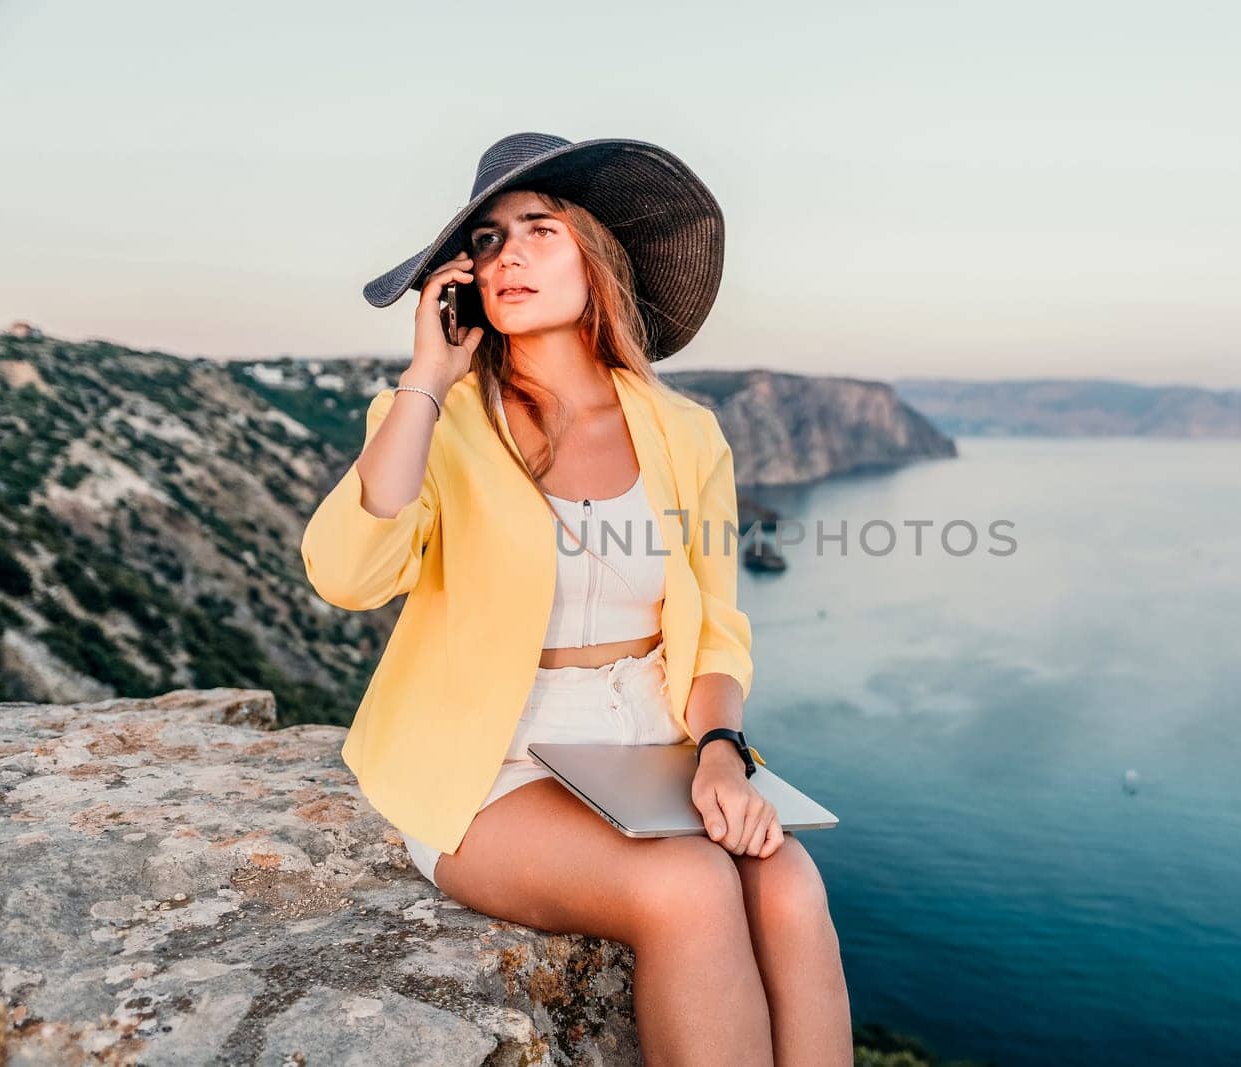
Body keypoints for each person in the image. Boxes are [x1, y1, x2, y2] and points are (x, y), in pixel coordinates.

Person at [299, 133, 852, 1064]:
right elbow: (348, 575)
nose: (505, 254)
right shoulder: (436, 421)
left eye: (538, 229)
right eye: (484, 239)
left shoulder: (684, 432)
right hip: (491, 763)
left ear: (595, 257)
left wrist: (723, 753)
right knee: (686, 884)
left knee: (790, 885)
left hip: (650, 743)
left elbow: (716, 628)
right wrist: (426, 380)